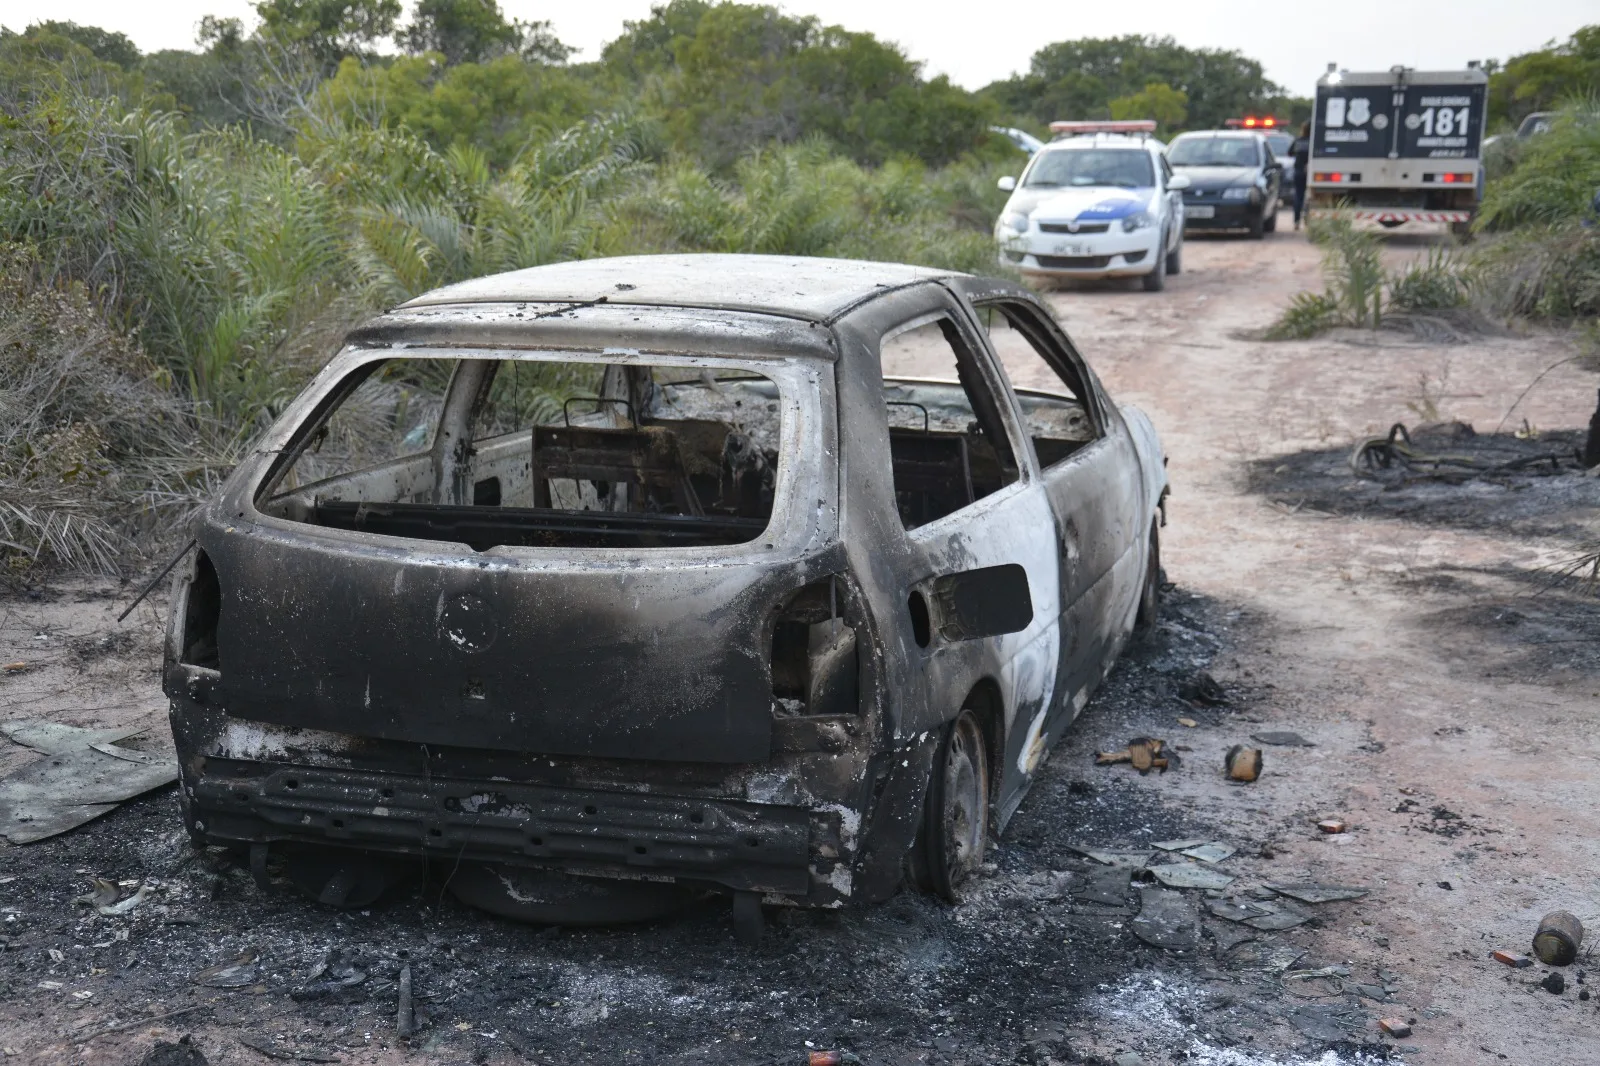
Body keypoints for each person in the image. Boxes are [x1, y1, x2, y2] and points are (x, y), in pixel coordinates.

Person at [1291, 121, 1311, 230]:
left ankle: (1296, 221)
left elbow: (1289, 152)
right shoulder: (1313, 142)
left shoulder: (1298, 141)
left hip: (1298, 171)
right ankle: (1307, 220)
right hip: (1309, 172)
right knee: (1309, 198)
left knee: (1298, 197)